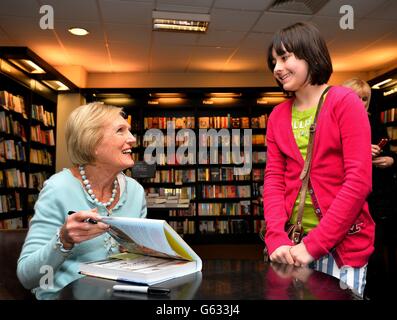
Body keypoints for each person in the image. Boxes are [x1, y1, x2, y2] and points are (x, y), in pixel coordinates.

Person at [263, 21, 375, 298]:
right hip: (290, 248)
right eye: (273, 61)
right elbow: (274, 181)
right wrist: (275, 238)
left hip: (343, 248)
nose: (277, 68)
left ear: (310, 54)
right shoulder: (277, 116)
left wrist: (313, 246)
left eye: (285, 57)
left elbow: (358, 182)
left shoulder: (344, 101)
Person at [17, 102, 147, 299]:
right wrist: (64, 240)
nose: (132, 138)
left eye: (129, 130)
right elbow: (28, 277)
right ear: (92, 142)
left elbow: (136, 259)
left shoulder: (136, 192)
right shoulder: (58, 188)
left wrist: (144, 251)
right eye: (120, 131)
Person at [342, 78, 397, 299]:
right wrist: (362, 153)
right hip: (352, 195)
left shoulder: (375, 124)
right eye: (355, 97)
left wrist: (391, 161)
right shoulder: (336, 124)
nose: (361, 102)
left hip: (378, 194)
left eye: (365, 98)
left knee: (376, 248)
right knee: (356, 250)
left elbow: (389, 151)